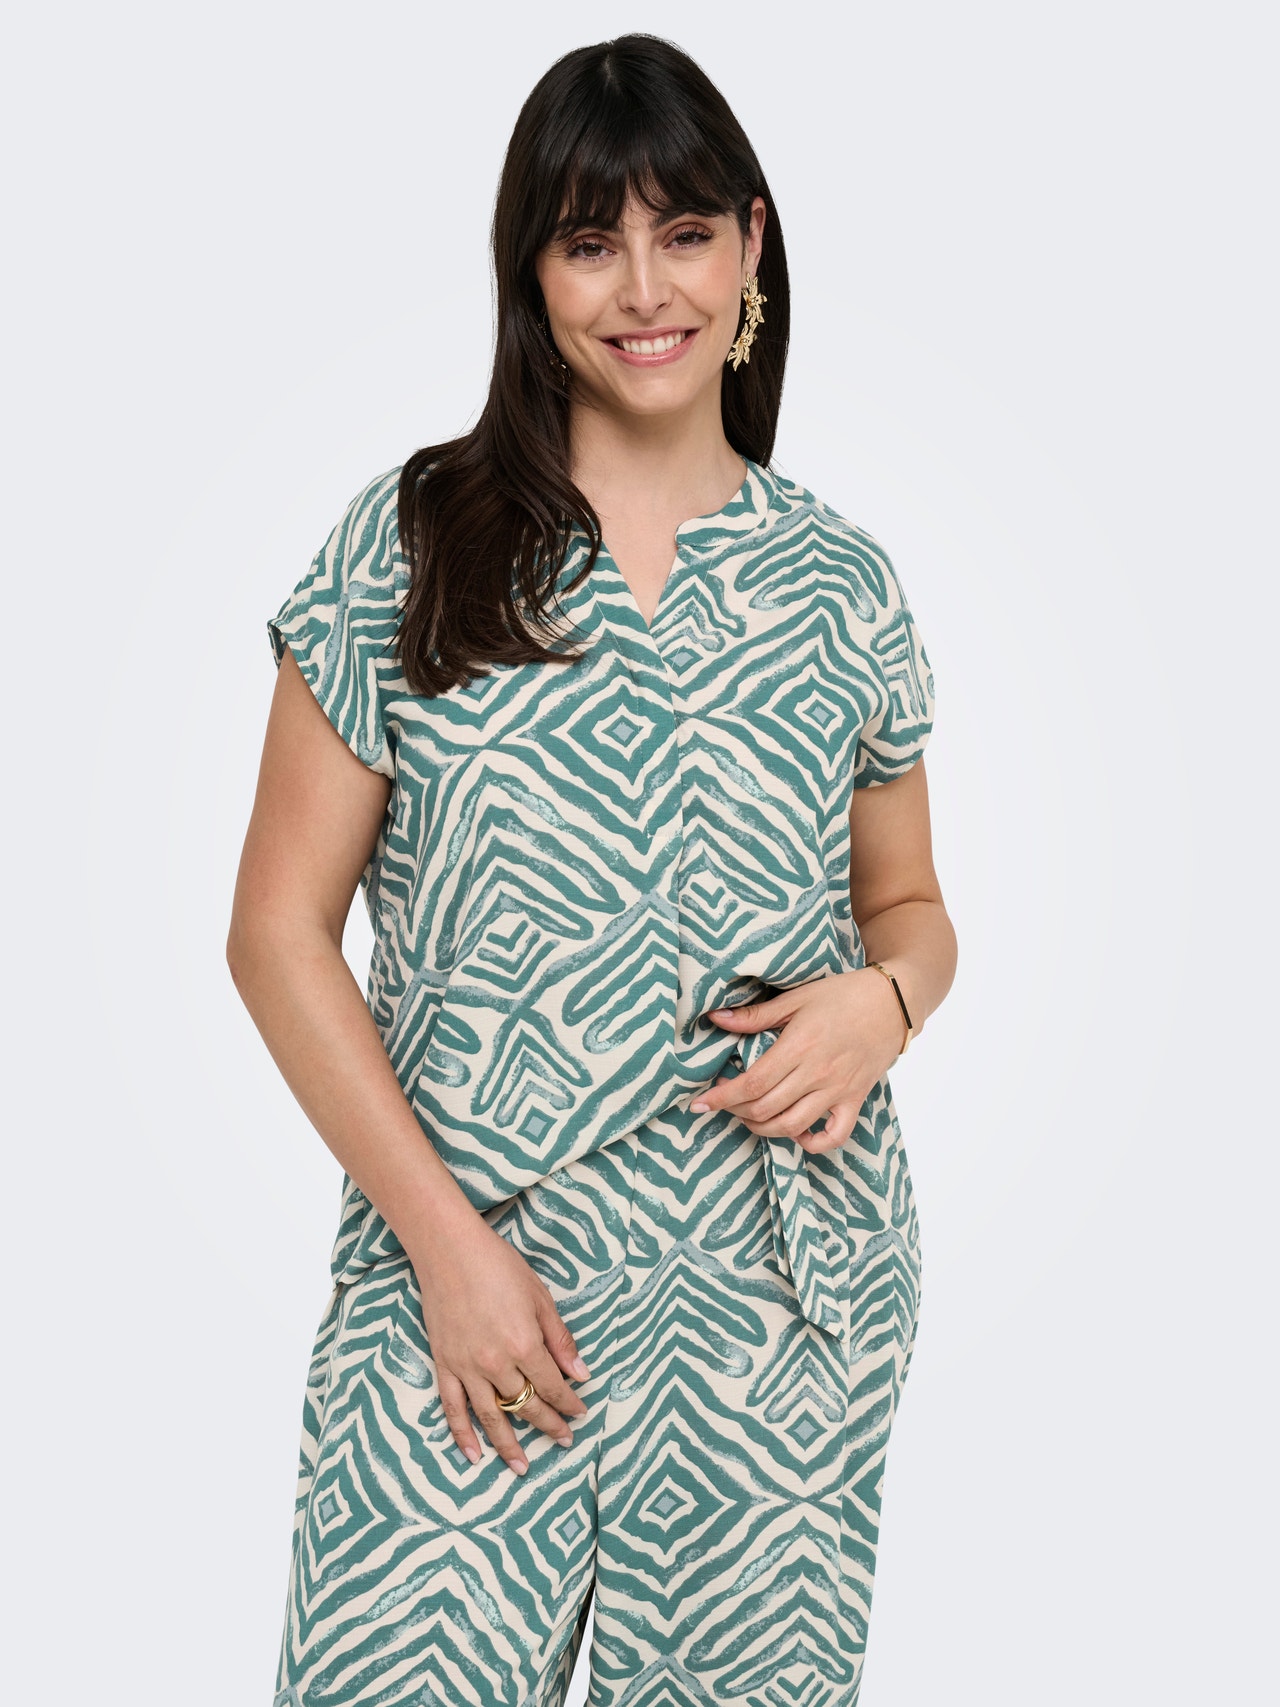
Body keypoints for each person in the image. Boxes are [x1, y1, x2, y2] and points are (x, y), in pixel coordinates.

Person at [228, 31, 958, 1707]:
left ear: (751, 246)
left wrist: (889, 1004)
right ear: (531, 273)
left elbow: (911, 906)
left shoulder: (840, 583)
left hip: (778, 1306)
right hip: (468, 1285)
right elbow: (275, 933)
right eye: (587, 241)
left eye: (684, 233)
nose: (644, 289)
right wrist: (448, 1250)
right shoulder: (414, 545)